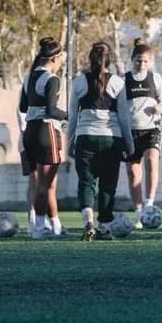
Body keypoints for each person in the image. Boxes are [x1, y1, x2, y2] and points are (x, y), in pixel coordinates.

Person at [67, 42, 135, 241]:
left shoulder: (79, 82)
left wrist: (70, 142)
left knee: (86, 183)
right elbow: (123, 118)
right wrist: (129, 142)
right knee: (107, 185)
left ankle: (88, 221)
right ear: (110, 59)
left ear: (91, 59)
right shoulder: (118, 83)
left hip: (85, 138)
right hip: (111, 139)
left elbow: (72, 118)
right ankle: (104, 228)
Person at [19, 37, 70, 239]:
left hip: (29, 131)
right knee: (45, 185)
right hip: (46, 131)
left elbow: (23, 107)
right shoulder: (52, 78)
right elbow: (51, 110)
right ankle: (40, 228)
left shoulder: (29, 76)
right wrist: (69, 116)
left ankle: (49, 225)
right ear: (55, 58)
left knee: (41, 183)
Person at [124, 39, 162, 229]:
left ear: (150, 61)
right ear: (132, 59)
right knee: (133, 173)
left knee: (152, 161)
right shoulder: (123, 79)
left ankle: (149, 205)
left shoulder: (155, 78)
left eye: (145, 61)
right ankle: (139, 212)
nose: (141, 64)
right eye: (138, 61)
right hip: (130, 131)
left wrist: (160, 106)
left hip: (152, 129)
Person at [17, 57, 41, 235]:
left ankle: (44, 218)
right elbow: (21, 109)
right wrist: (26, 132)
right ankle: (32, 218)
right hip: (29, 137)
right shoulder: (28, 83)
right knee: (34, 179)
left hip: (45, 136)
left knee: (45, 181)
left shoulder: (51, 80)